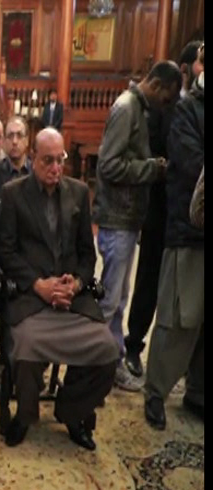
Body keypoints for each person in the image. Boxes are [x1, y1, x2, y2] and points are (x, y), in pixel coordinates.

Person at [0, 128, 119, 449]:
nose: (55, 167)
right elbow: (5, 252)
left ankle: (71, 411)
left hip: (71, 300)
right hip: (31, 298)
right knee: (25, 348)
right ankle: (25, 416)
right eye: (47, 160)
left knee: (107, 352)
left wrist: (75, 283)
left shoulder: (78, 193)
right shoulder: (13, 194)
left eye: (60, 160)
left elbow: (87, 254)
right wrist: (38, 285)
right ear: (33, 159)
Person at [93, 60, 182, 391]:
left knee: (119, 299)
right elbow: (109, 165)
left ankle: (111, 362)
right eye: (166, 98)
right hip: (117, 217)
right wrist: (152, 169)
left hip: (128, 218)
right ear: (156, 85)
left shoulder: (137, 108)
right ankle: (93, 369)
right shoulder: (126, 108)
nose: (165, 106)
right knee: (109, 301)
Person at [124, 41, 204, 378]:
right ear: (186, 69)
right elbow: (152, 152)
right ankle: (133, 346)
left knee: (187, 296)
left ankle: (186, 364)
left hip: (192, 216)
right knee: (148, 282)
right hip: (160, 210)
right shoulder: (163, 108)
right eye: (201, 62)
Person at [143, 64, 204, 430]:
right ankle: (156, 392)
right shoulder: (187, 110)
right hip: (191, 232)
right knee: (179, 317)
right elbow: (191, 165)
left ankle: (198, 392)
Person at [0, 115, 32, 209]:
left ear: (27, 140)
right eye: (10, 136)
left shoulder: (35, 172)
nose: (14, 141)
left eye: (19, 136)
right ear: (4, 141)